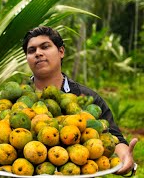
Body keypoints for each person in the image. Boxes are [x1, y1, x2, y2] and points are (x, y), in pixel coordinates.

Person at [22, 26, 138, 176]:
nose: (38, 53)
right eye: (31, 51)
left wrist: (125, 157)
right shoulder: (16, 100)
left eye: (45, 47)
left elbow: (114, 138)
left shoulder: (87, 98)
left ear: (61, 51)